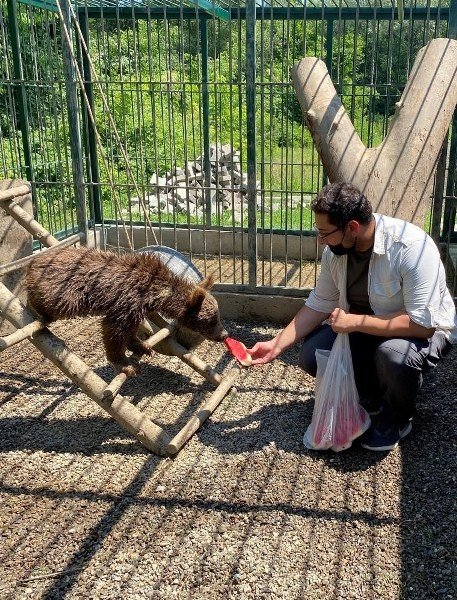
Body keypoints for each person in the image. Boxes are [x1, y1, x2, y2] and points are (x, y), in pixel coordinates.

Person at [248, 182, 457, 451]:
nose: (321, 240)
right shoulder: (337, 251)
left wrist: (356, 322)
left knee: (394, 356)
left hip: (423, 332)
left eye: (325, 233)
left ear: (353, 227)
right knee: (312, 355)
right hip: (367, 326)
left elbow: (422, 325)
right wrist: (275, 345)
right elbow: (319, 304)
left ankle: (398, 417)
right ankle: (370, 398)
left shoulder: (411, 248)